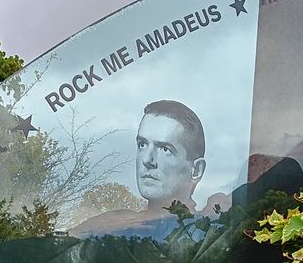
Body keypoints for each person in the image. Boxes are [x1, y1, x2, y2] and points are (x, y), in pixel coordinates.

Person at [71, 99, 207, 238]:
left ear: (196, 170)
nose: (147, 160)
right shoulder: (104, 230)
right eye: (142, 144)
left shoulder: (208, 235)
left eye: (165, 149)